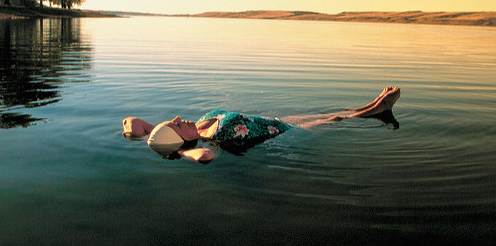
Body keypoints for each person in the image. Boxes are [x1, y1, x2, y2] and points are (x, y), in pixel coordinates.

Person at [122, 86, 401, 163]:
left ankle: (370, 103)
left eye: (173, 121)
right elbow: (204, 156)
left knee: (337, 112)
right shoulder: (209, 141)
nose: (177, 119)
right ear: (182, 141)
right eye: (177, 126)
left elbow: (135, 124)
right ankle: (379, 109)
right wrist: (180, 151)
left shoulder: (200, 125)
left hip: (275, 122)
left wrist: (152, 132)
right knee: (335, 119)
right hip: (287, 132)